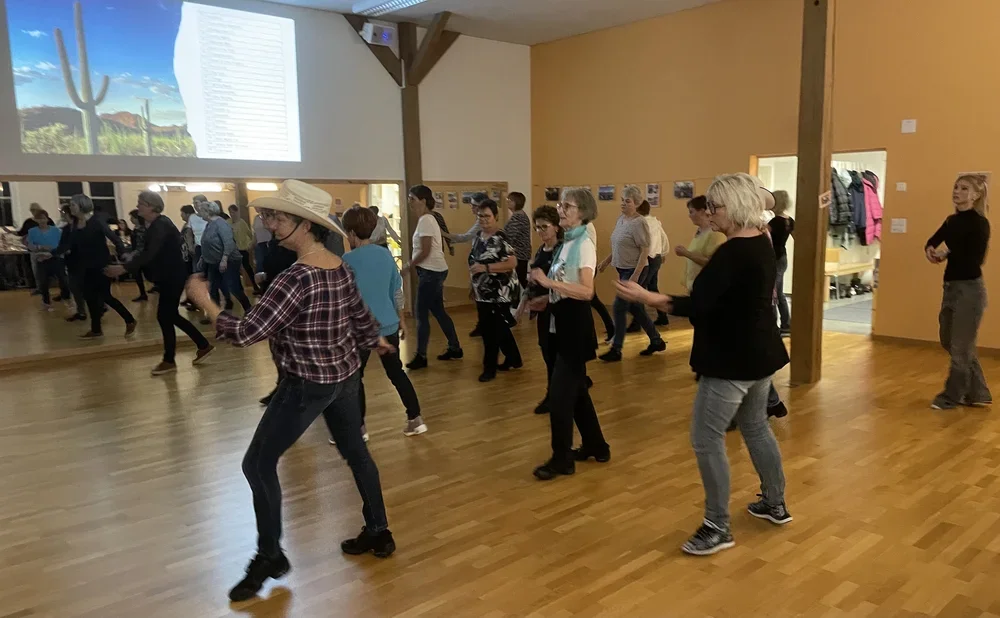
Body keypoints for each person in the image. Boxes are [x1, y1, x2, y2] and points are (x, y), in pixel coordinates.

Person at [185, 180, 397, 602]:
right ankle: (378, 531)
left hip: (307, 386)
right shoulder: (339, 266)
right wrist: (375, 339)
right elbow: (359, 316)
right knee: (356, 453)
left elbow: (247, 332)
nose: (268, 223)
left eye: (277, 217)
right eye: (268, 215)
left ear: (304, 224)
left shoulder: (296, 278)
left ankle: (270, 556)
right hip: (344, 377)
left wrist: (204, 301)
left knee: (256, 464)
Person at [617, 173, 791, 556]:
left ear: (738, 207)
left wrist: (649, 297)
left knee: (705, 438)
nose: (709, 213)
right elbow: (764, 200)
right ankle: (774, 503)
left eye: (715, 206)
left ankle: (717, 526)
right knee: (756, 427)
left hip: (732, 359)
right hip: (761, 354)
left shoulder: (732, 252)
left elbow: (698, 305)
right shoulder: (763, 239)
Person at [529, 188, 609, 480]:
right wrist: (546, 298)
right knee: (577, 394)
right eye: (560, 204)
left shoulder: (584, 244)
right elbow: (565, 283)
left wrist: (547, 283)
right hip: (561, 323)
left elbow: (587, 291)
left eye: (567, 206)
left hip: (575, 328)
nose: (560, 209)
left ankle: (562, 459)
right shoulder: (568, 241)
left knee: (561, 397)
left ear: (582, 213)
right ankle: (596, 445)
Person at [104, 192, 215, 376]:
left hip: (173, 276)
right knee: (169, 315)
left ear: (151, 206)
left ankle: (170, 360)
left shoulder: (161, 225)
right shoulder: (156, 225)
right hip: (169, 276)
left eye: (141, 203)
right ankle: (202, 345)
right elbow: (148, 251)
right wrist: (130, 260)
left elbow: (151, 253)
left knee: (165, 316)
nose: (138, 206)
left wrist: (124, 268)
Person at [341, 205, 425, 436]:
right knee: (396, 372)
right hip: (388, 324)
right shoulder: (385, 255)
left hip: (360, 329)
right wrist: (402, 319)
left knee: (355, 378)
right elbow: (396, 291)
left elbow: (345, 298)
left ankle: (359, 429)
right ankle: (416, 419)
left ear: (351, 233)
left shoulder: (346, 260)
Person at [925, 173, 992, 410]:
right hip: (951, 288)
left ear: (975, 195)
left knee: (960, 347)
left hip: (970, 290)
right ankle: (978, 392)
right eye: (956, 187)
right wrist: (931, 250)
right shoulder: (952, 221)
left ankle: (951, 396)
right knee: (949, 340)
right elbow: (933, 240)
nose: (957, 192)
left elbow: (975, 259)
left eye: (964, 188)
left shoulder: (979, 223)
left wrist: (947, 253)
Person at [598, 185, 666, 361]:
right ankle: (656, 341)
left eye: (627, 201)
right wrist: (606, 262)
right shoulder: (621, 219)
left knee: (619, 307)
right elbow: (618, 245)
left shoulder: (639, 222)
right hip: (623, 270)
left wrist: (635, 277)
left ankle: (616, 349)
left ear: (636, 203)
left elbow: (645, 251)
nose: (623, 203)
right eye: (622, 200)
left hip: (634, 271)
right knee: (636, 308)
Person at [55, 195, 136, 339]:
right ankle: (96, 329)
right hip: (84, 267)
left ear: (82, 206)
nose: (71, 207)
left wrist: (123, 254)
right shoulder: (75, 224)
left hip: (100, 265)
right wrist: (53, 253)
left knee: (105, 296)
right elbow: (68, 244)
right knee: (89, 297)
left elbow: (115, 239)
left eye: (73, 205)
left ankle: (129, 319)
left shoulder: (96, 222)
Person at [402, 185, 463, 369]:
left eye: (412, 198)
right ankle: (455, 348)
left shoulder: (426, 220)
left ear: (423, 200)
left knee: (421, 313)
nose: (410, 202)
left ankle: (421, 356)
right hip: (434, 271)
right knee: (438, 311)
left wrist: (408, 266)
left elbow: (426, 250)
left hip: (431, 273)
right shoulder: (427, 219)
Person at [469, 198, 522, 382]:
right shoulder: (478, 237)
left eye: (487, 216)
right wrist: (473, 285)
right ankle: (514, 358)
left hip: (500, 293)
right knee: (499, 328)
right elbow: (474, 263)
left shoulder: (501, 238)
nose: (483, 219)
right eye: (480, 216)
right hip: (482, 293)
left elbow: (512, 263)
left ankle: (489, 368)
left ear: (496, 217)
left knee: (490, 332)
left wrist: (486, 268)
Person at [516, 205, 562, 414]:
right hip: (543, 312)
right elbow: (533, 281)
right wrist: (522, 305)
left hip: (559, 311)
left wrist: (547, 298)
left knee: (556, 354)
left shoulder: (562, 251)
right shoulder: (540, 251)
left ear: (556, 227)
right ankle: (557, 392)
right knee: (547, 350)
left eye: (545, 227)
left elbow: (565, 284)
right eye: (537, 227)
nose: (541, 231)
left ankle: (554, 396)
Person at [444, 193, 488, 337]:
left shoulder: (481, 222)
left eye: (474, 205)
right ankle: (482, 324)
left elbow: (466, 236)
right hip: (477, 260)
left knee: (481, 296)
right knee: (477, 295)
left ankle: (484, 325)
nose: (471, 208)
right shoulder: (478, 220)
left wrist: (446, 235)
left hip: (482, 262)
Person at [199, 200, 252, 314]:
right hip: (214, 262)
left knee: (234, 288)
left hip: (229, 261)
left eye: (201, 210)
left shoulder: (221, 224)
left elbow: (229, 243)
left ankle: (249, 311)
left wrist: (224, 259)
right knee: (213, 288)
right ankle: (216, 315)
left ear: (207, 211)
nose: (199, 213)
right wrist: (203, 258)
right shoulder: (209, 225)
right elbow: (206, 243)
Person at [628, 200, 670, 330]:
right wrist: (663, 253)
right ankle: (663, 316)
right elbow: (664, 238)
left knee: (639, 290)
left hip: (647, 259)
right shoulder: (655, 222)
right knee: (652, 287)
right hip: (655, 258)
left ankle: (637, 323)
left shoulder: (640, 223)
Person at [26, 209, 70, 310]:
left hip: (56, 258)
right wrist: (40, 247)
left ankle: (66, 296)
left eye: (43, 218)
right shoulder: (32, 232)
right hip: (41, 258)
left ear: (47, 219)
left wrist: (52, 251)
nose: (42, 221)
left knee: (62, 278)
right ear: (36, 220)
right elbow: (30, 246)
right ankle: (46, 301)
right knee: (43, 281)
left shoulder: (57, 231)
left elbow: (61, 245)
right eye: (39, 219)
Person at [585, 221, 616, 342]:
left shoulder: (585, 225)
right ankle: (610, 329)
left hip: (587, 267)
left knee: (591, 301)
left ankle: (609, 330)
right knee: (593, 301)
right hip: (586, 266)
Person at [769, 191, 794, 335]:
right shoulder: (789, 221)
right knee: (778, 292)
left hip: (774, 257)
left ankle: (779, 324)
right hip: (783, 256)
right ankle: (785, 323)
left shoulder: (774, 221)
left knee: (774, 293)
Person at [56, 205, 87, 321]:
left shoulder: (81, 226)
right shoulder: (66, 228)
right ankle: (81, 311)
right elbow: (63, 244)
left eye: (63, 212)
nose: (61, 214)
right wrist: (57, 252)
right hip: (71, 261)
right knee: (74, 287)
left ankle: (99, 306)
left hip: (83, 260)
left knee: (85, 286)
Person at [17, 203, 55, 295]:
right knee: (36, 270)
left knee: (46, 270)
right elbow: (22, 233)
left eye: (34, 210)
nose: (33, 212)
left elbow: (52, 232)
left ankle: (46, 288)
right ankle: (39, 288)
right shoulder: (28, 222)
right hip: (33, 249)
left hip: (45, 249)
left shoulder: (48, 221)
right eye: (31, 210)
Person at [229, 205, 262, 295]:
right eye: (231, 212)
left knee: (247, 267)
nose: (232, 214)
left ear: (237, 212)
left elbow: (249, 233)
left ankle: (255, 286)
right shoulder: (228, 223)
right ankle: (239, 288)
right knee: (236, 269)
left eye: (233, 212)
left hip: (243, 248)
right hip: (234, 250)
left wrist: (251, 244)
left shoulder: (241, 222)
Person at [503, 192, 533, 289]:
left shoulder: (518, 217)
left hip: (519, 255)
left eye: (510, 200)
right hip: (520, 254)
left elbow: (510, 237)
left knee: (519, 282)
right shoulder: (518, 215)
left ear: (516, 202)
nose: (507, 202)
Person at [128, 210, 149, 302]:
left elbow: (141, 245)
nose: (131, 219)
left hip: (141, 255)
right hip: (137, 254)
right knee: (137, 275)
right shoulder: (136, 228)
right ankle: (143, 294)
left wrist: (133, 254)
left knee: (146, 274)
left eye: (132, 217)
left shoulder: (141, 229)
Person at [252, 210, 272, 293]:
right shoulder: (256, 218)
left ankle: (268, 287)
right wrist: (253, 243)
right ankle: (261, 288)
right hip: (259, 244)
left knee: (267, 265)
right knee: (259, 266)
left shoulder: (268, 216)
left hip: (267, 242)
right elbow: (255, 233)